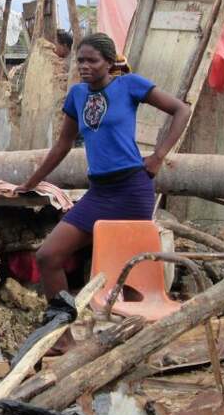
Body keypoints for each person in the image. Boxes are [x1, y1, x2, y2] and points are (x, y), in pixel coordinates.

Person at [16, 33, 191, 307]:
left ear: (109, 63)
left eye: (92, 61)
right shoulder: (77, 95)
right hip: (99, 193)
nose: (84, 66)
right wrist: (31, 182)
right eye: (80, 61)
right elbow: (63, 145)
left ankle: (138, 328)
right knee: (48, 256)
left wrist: (158, 156)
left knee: (132, 277)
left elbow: (181, 110)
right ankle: (62, 324)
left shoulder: (129, 85)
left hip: (132, 189)